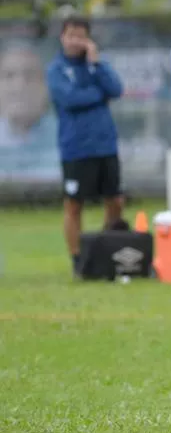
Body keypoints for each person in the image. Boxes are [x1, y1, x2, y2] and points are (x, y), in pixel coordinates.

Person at [46, 16, 126, 277]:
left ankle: (104, 252)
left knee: (114, 201)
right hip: (76, 148)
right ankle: (78, 260)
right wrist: (98, 94)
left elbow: (115, 88)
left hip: (105, 145)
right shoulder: (57, 69)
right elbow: (70, 98)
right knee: (74, 204)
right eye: (71, 36)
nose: (76, 42)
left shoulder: (96, 66)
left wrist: (97, 64)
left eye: (81, 36)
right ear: (63, 37)